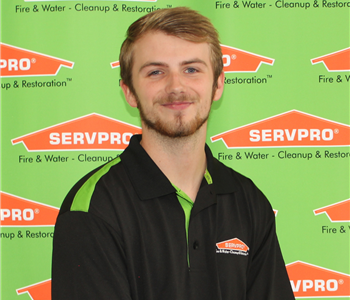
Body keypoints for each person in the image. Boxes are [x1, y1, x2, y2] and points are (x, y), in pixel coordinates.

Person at [52, 7, 295, 300]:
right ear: (129, 92)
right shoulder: (95, 207)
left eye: (191, 69)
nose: (176, 86)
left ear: (217, 84)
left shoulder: (248, 201)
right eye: (156, 72)